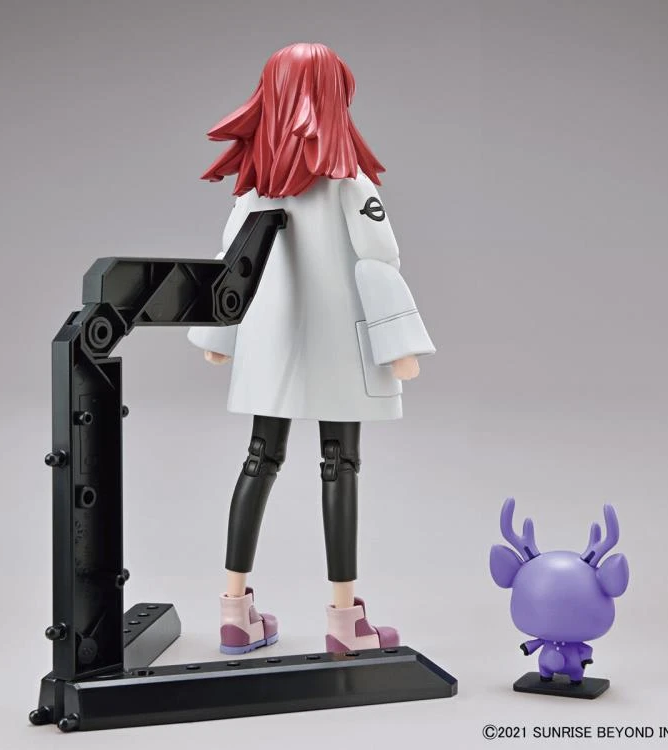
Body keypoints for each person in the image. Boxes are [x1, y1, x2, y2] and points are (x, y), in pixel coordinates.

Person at [188, 42, 435, 654]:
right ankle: (345, 622)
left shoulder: (256, 192)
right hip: (337, 350)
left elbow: (231, 271)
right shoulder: (350, 187)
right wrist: (398, 343)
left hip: (271, 350)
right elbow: (378, 262)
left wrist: (221, 335)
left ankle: (234, 611)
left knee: (259, 458)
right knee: (339, 465)